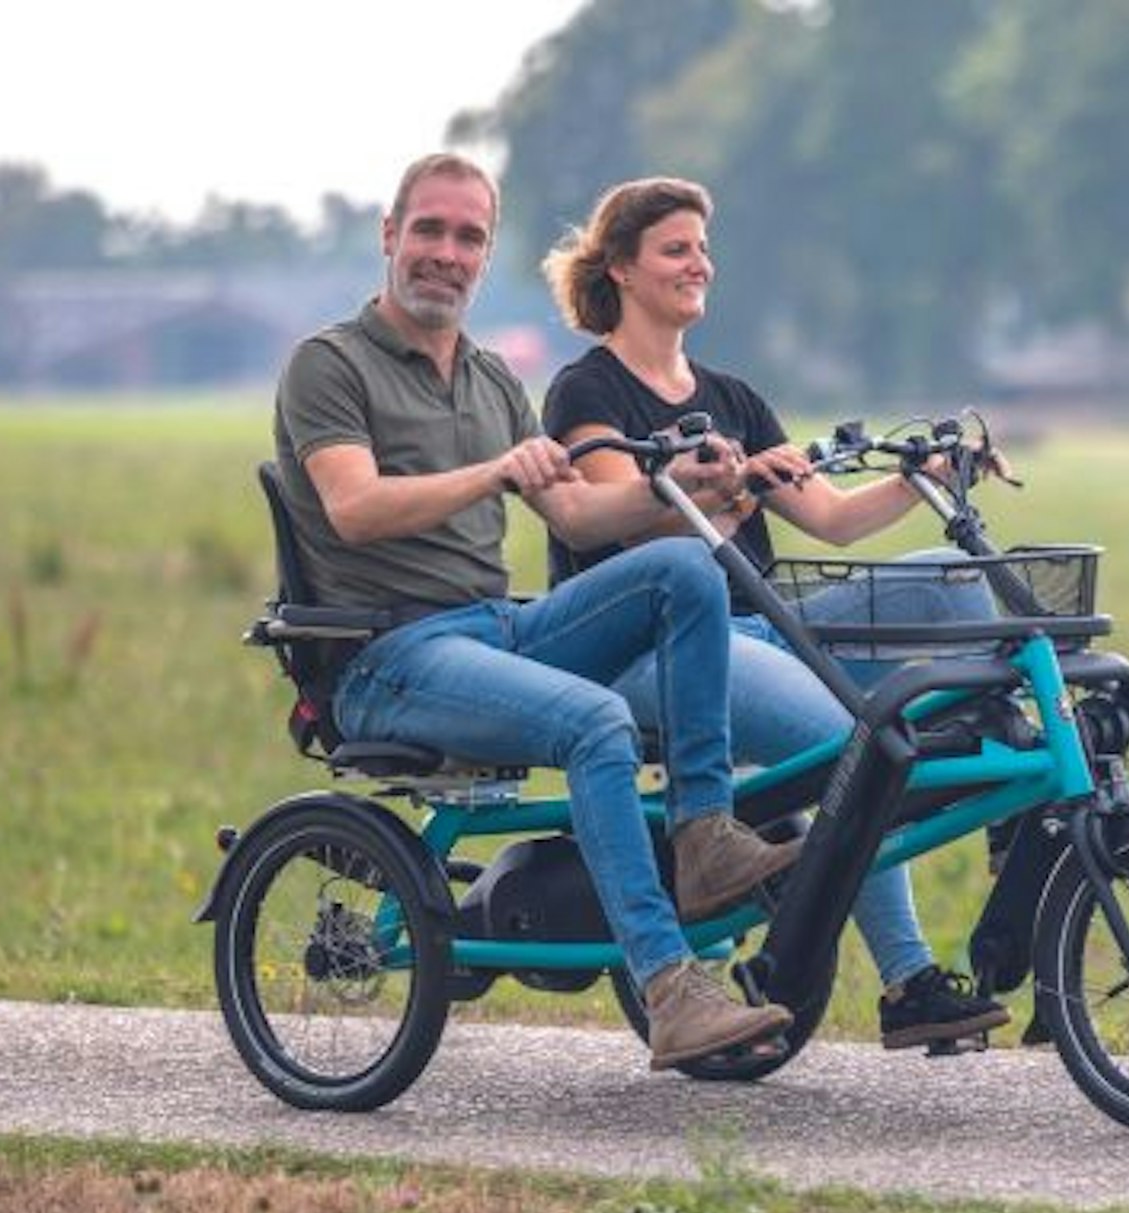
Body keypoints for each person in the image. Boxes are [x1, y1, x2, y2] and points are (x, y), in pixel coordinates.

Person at [271, 153, 800, 1073]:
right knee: (595, 721)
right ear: (390, 236)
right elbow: (353, 509)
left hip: (495, 628)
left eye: (468, 237)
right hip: (387, 655)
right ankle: (670, 989)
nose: (447, 253)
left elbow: (579, 516)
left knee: (683, 567)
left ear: (486, 255)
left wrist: (678, 488)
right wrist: (491, 473)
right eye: (429, 230)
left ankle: (705, 838)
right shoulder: (330, 363)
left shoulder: (491, 379)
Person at [539, 176, 1009, 1051]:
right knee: (857, 747)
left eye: (702, 248)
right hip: (658, 650)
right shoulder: (586, 392)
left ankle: (1012, 804)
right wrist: (731, 487)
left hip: (762, 626)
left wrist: (924, 478)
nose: (699, 264)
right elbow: (627, 524)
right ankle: (908, 982)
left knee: (950, 576)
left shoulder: (732, 395)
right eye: (676, 250)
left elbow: (830, 517)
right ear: (621, 270)